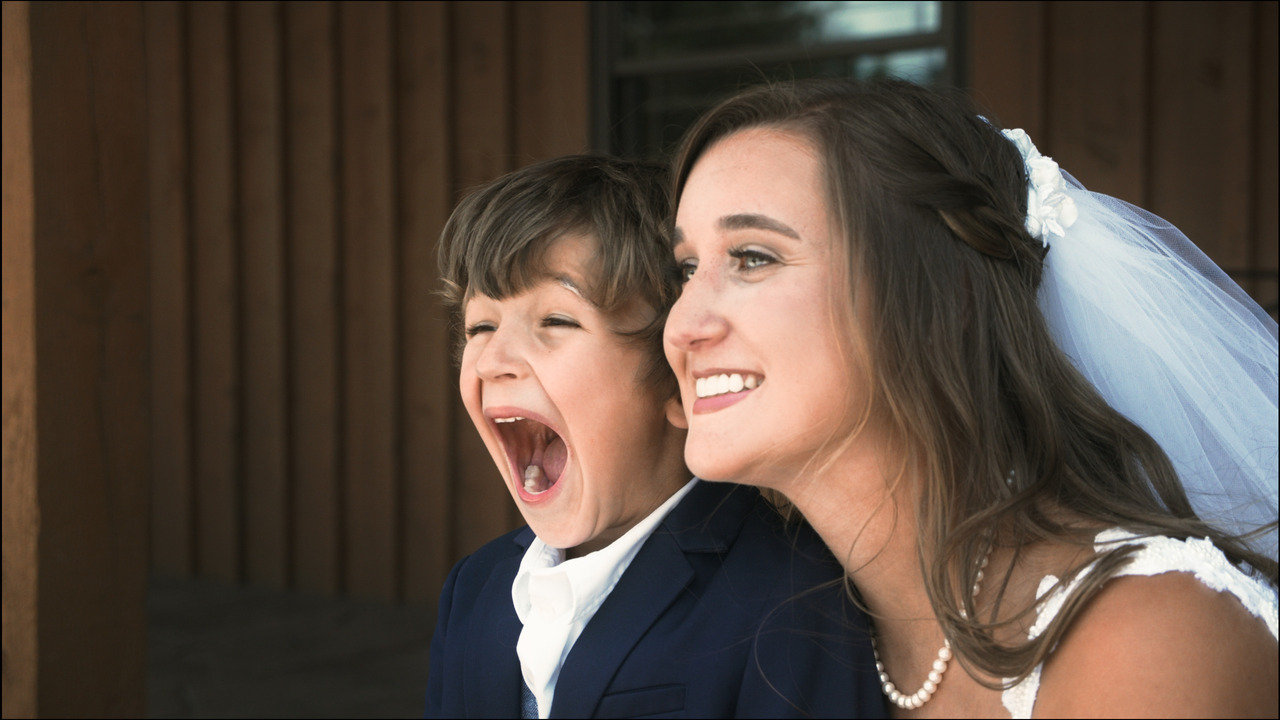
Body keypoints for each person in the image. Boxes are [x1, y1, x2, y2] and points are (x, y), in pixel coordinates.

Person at [663, 78, 1279, 718]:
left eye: (754, 257)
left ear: (938, 298)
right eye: (686, 268)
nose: (680, 326)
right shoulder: (778, 630)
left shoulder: (1149, 639)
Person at [424, 154, 886, 718]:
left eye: (557, 321)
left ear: (677, 379)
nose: (493, 358)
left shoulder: (792, 601)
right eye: (480, 326)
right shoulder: (474, 588)